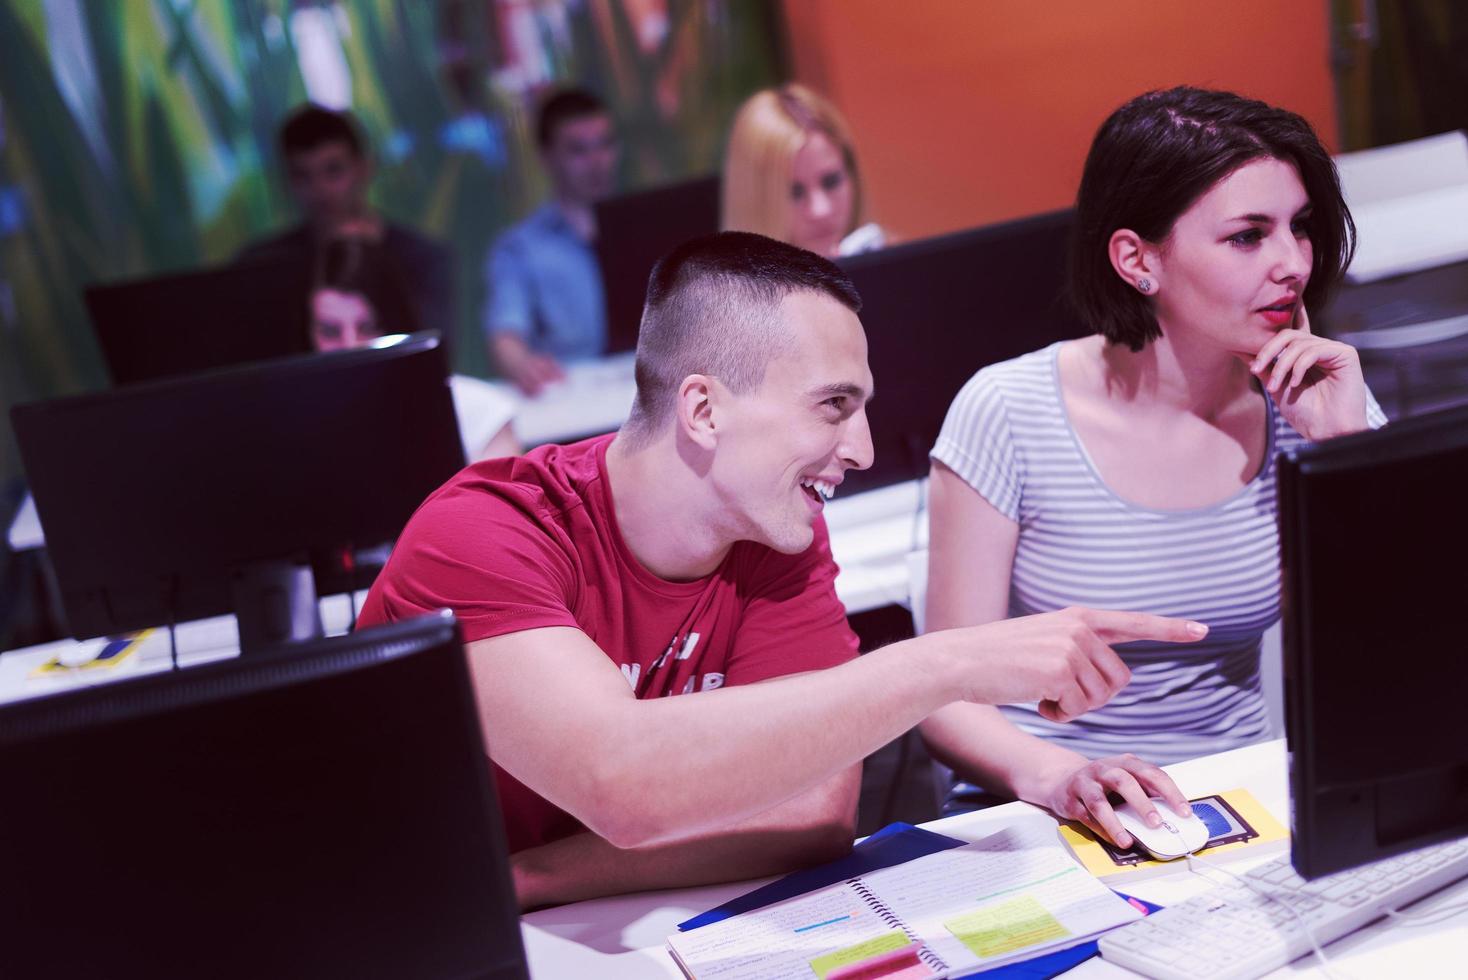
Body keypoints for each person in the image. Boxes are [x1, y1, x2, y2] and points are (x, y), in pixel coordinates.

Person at [357, 231, 1207, 910]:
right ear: (702, 409)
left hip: (546, 915)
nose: (864, 448)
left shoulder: (776, 529)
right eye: (834, 405)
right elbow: (624, 783)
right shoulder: (486, 531)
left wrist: (526, 881)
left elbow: (809, 814)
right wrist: (941, 663)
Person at [923, 87, 1386, 816]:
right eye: (1247, 236)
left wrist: (1344, 458)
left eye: (1299, 228)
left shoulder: (1323, 401)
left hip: (1237, 802)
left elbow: (1388, 659)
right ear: (1138, 260)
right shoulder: (1009, 409)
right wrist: (1064, 777)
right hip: (1036, 806)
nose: (1293, 262)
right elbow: (942, 693)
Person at [238, 104, 454, 342]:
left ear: (364, 169)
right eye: (303, 175)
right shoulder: (261, 265)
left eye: (333, 171)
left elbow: (433, 353)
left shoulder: (422, 259)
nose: (320, 190)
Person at [311, 237, 520, 461]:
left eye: (368, 328)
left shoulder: (479, 414)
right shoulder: (300, 429)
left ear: (396, 322)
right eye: (331, 332)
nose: (350, 346)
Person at [484, 88, 619, 395]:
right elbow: (505, 335)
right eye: (578, 150)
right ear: (547, 157)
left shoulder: (651, 225)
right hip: (575, 404)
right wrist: (522, 364)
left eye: (605, 144)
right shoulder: (519, 248)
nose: (597, 161)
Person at [722, 84, 886, 259]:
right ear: (752, 199)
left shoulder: (901, 274)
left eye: (831, 182)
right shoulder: (721, 285)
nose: (821, 210)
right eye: (794, 192)